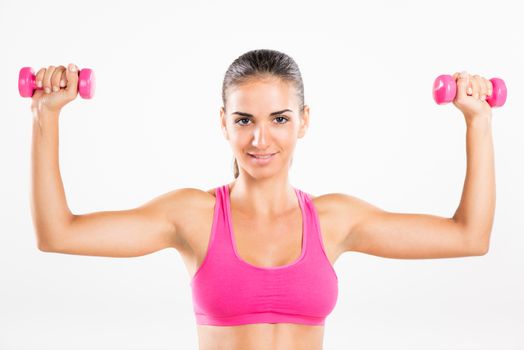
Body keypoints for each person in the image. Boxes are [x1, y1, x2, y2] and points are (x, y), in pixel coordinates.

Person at [30, 49, 495, 350]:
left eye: (278, 118)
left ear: (304, 121)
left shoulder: (335, 220)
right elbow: (58, 234)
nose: (260, 139)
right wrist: (44, 118)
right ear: (223, 123)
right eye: (244, 120)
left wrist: (479, 122)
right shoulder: (192, 216)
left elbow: (469, 237)